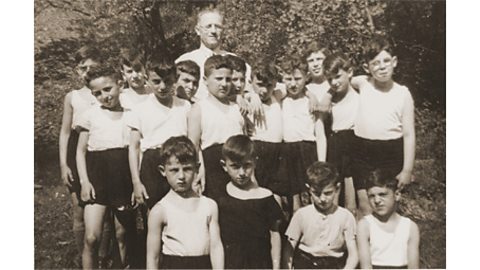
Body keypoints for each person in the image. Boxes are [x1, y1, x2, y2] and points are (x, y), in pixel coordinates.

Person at [76, 64, 136, 269]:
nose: (104, 96)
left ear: (120, 84)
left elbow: (136, 149)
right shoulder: (91, 115)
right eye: (97, 93)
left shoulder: (131, 114)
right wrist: (84, 182)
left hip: (123, 178)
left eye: (107, 89)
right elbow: (80, 152)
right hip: (97, 180)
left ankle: (123, 266)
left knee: (122, 234)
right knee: (92, 237)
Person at [348, 35, 416, 216]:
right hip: (361, 151)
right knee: (365, 204)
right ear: (367, 67)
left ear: (394, 62)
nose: (382, 66)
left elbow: (409, 135)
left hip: (390, 153)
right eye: (375, 63)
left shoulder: (403, 94)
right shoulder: (363, 83)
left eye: (386, 60)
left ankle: (390, 242)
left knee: (386, 205)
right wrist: (326, 96)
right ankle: (365, 243)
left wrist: (407, 169)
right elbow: (339, 81)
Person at [58, 45, 112, 266]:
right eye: (83, 68)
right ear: (76, 70)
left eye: (93, 66)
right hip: (77, 153)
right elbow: (64, 132)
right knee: (80, 208)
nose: (88, 71)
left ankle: (104, 256)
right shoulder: (73, 97)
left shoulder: (108, 91)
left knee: (104, 208)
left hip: (102, 152)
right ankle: (84, 258)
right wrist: (63, 164)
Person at [146, 136, 224, 269]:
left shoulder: (209, 205)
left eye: (187, 169)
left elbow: (216, 247)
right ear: (163, 171)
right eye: (174, 170)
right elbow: (153, 257)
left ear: (197, 168)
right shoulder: (160, 210)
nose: (181, 176)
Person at [128, 59, 191, 209]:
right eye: (156, 81)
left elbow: (193, 141)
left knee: (182, 209)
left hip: (180, 162)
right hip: (152, 164)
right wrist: (136, 182)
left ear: (175, 80)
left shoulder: (184, 105)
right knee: (154, 212)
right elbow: (134, 148)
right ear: (147, 79)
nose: (162, 87)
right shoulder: (140, 109)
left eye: (167, 81)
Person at [218, 135, 284, 269]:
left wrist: (276, 267)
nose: (242, 173)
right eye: (235, 167)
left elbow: (274, 234)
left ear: (255, 162)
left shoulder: (265, 197)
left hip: (260, 263)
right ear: (224, 166)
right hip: (232, 263)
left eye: (247, 165)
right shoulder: (220, 197)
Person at [187, 55, 245, 201]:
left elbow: (244, 143)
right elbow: (193, 145)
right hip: (212, 167)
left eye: (228, 79)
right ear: (205, 81)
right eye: (218, 79)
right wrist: (197, 172)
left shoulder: (237, 108)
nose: (224, 84)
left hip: (238, 165)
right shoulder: (198, 109)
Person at [283, 162, 358, 269]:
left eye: (328, 193)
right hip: (305, 263)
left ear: (337, 188)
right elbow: (289, 250)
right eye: (316, 193)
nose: (322, 199)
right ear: (309, 189)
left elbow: (353, 254)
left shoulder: (345, 216)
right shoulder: (302, 215)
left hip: (334, 265)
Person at [279, 55, 327, 213]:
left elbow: (320, 135)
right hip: (287, 152)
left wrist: (321, 163)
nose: (293, 84)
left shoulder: (312, 101)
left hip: (308, 151)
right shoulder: (280, 99)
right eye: (288, 79)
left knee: (313, 195)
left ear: (306, 77)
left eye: (298, 78)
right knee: (293, 201)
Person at [175, 8, 250, 102]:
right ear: (198, 30)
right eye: (208, 26)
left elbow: (252, 87)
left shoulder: (236, 61)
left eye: (218, 26)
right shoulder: (184, 60)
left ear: (223, 30)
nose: (213, 31)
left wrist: (252, 95)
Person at [356, 169, 420, 269]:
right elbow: (366, 267)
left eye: (382, 195)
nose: (377, 201)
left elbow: (414, 267)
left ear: (397, 195)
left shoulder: (410, 227)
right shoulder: (365, 225)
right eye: (372, 196)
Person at [322, 53, 360, 215]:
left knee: (352, 196)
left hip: (354, 142)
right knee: (334, 189)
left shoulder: (361, 95)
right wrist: (328, 95)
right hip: (336, 143)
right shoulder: (330, 100)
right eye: (330, 79)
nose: (334, 82)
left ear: (350, 72)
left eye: (338, 77)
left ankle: (354, 233)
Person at [247, 62, 284, 202]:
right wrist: (251, 94)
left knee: (277, 194)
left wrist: (310, 95)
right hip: (258, 149)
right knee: (258, 191)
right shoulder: (248, 99)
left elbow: (298, 87)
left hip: (278, 150)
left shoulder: (278, 95)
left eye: (269, 85)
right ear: (251, 82)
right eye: (260, 85)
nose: (264, 90)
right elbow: (235, 93)